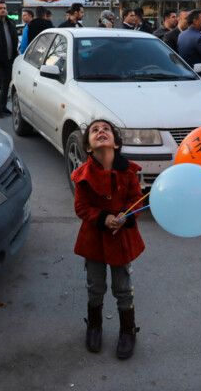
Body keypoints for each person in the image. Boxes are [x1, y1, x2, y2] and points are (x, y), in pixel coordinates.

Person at [71, 119, 144, 359]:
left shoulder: (129, 171)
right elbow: (81, 207)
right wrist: (103, 217)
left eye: (106, 129)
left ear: (116, 143)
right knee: (95, 286)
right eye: (95, 130)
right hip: (94, 240)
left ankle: (128, 330)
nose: (101, 131)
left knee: (123, 288)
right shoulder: (83, 176)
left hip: (120, 239)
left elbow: (137, 200)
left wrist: (125, 216)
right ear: (89, 147)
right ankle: (94, 326)